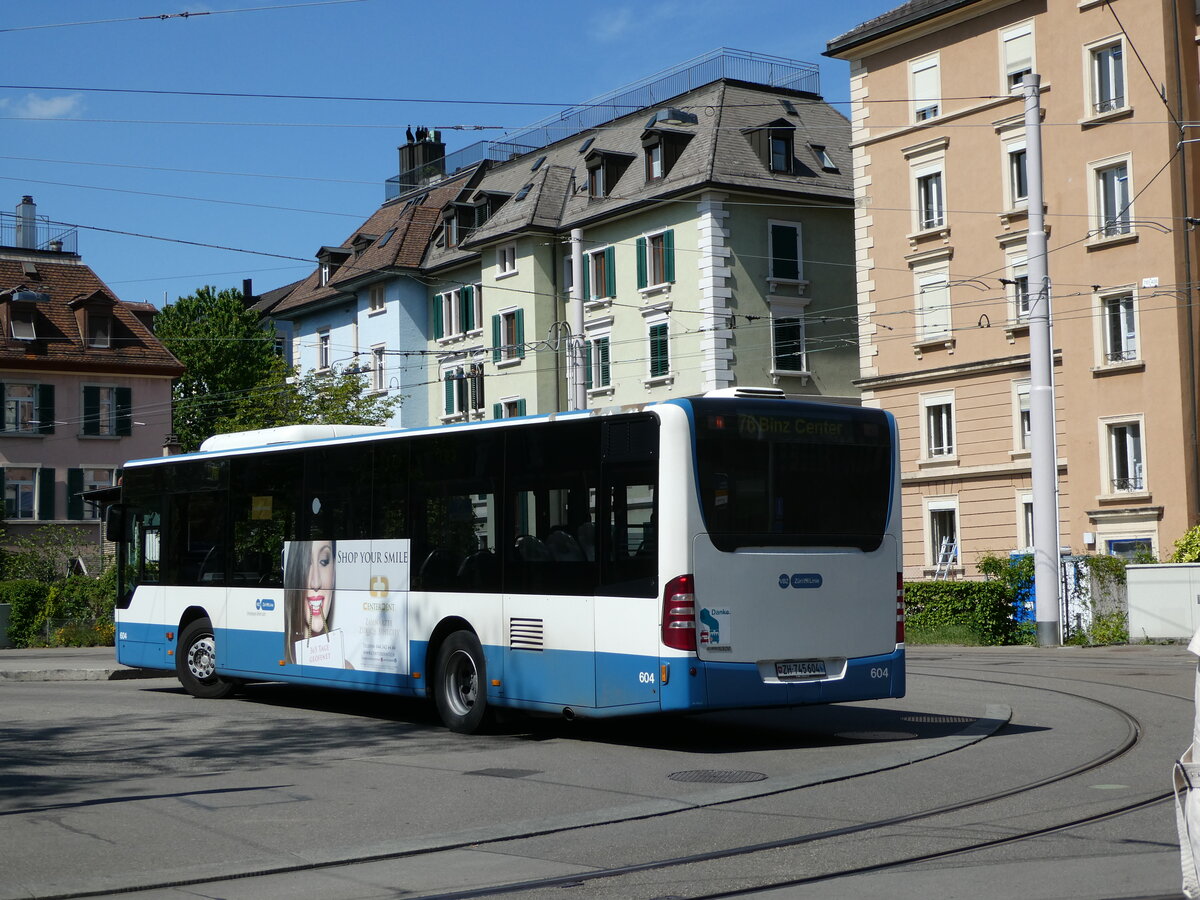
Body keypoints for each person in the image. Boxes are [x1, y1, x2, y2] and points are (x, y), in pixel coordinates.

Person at [283, 539, 337, 665]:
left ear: (334, 571)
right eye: (306, 564)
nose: (316, 583)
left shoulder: (346, 668)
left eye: (324, 561)